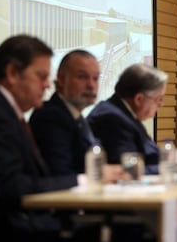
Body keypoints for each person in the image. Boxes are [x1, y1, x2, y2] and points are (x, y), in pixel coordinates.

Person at [0, 35, 110, 242]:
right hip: (14, 231)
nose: (48, 85)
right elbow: (9, 187)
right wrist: (83, 179)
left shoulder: (5, 112)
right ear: (12, 73)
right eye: (41, 76)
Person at [87, 63, 177, 175]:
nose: (162, 104)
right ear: (139, 99)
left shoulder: (127, 115)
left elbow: (151, 158)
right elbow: (126, 172)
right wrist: (174, 166)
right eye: (158, 99)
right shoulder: (111, 118)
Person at [29, 50, 125, 181]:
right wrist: (100, 175)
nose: (91, 85)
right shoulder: (50, 117)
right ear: (62, 79)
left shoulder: (76, 116)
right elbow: (61, 174)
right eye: (82, 77)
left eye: (95, 78)